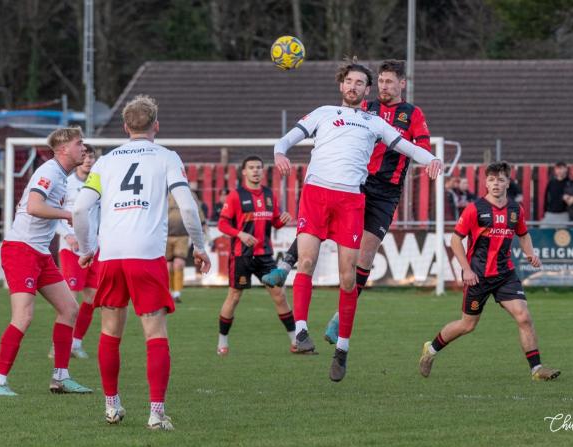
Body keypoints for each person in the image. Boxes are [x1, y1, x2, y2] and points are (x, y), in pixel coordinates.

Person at [273, 58, 441, 382]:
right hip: (316, 194)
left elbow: (408, 146)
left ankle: (343, 348)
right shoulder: (323, 113)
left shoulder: (373, 121)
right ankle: (301, 331)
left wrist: (432, 159)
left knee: (347, 277)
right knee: (306, 260)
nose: (353, 87)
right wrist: (280, 152)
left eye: (359, 83)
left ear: (365, 91)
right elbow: (285, 139)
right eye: (349, 82)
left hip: (352, 199)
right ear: (342, 85)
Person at [72, 95, 211, 430]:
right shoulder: (166, 157)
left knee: (109, 333)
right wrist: (200, 246)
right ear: (156, 126)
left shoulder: (105, 162)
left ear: (125, 126)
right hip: (146, 256)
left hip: (112, 255)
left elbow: (79, 209)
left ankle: (111, 406)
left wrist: (88, 248)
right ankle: (156, 413)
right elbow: (189, 208)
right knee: (155, 334)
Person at [418, 161, 560, 381]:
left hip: (505, 275)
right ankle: (431, 349)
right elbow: (456, 240)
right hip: (478, 276)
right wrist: (466, 270)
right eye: (492, 180)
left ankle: (536, 369)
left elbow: (523, 234)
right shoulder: (475, 208)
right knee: (467, 325)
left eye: (500, 180)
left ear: (507, 182)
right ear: (486, 182)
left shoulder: (515, 210)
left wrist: (530, 253)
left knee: (524, 317)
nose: (496, 184)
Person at [0, 127, 92, 396]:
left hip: (40, 252)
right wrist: (67, 215)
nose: (84, 148)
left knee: (69, 309)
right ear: (63, 149)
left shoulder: (62, 176)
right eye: (79, 144)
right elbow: (34, 206)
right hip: (21, 249)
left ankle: (61, 377)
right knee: (23, 316)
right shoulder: (48, 172)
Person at [216, 155, 293, 356]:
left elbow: (275, 222)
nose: (256, 171)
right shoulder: (235, 196)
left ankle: (296, 342)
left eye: (259, 167)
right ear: (244, 172)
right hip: (242, 256)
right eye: (251, 167)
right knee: (234, 296)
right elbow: (222, 224)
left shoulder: (269, 194)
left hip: (265, 255)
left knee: (280, 295)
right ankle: (222, 342)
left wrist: (282, 220)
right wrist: (240, 234)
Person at [50, 143, 99, 359]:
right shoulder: (65, 184)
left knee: (93, 298)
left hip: (95, 249)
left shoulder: (100, 185)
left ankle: (76, 343)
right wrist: (67, 234)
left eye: (92, 157)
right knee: (70, 300)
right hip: (71, 250)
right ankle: (58, 345)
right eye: (86, 156)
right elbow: (55, 213)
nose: (88, 160)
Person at [166, 183, 206, 303]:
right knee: (167, 266)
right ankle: (168, 292)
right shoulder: (162, 192)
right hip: (164, 234)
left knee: (179, 263)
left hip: (182, 235)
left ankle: (177, 293)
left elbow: (197, 209)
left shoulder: (189, 193)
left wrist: (203, 223)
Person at [542, 161, 569, 226]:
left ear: (566, 169)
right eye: (557, 169)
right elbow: (546, 197)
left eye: (561, 168)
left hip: (564, 214)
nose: (559, 171)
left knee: (563, 235)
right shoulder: (551, 182)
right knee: (544, 233)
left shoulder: (570, 183)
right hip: (550, 214)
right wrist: (545, 212)